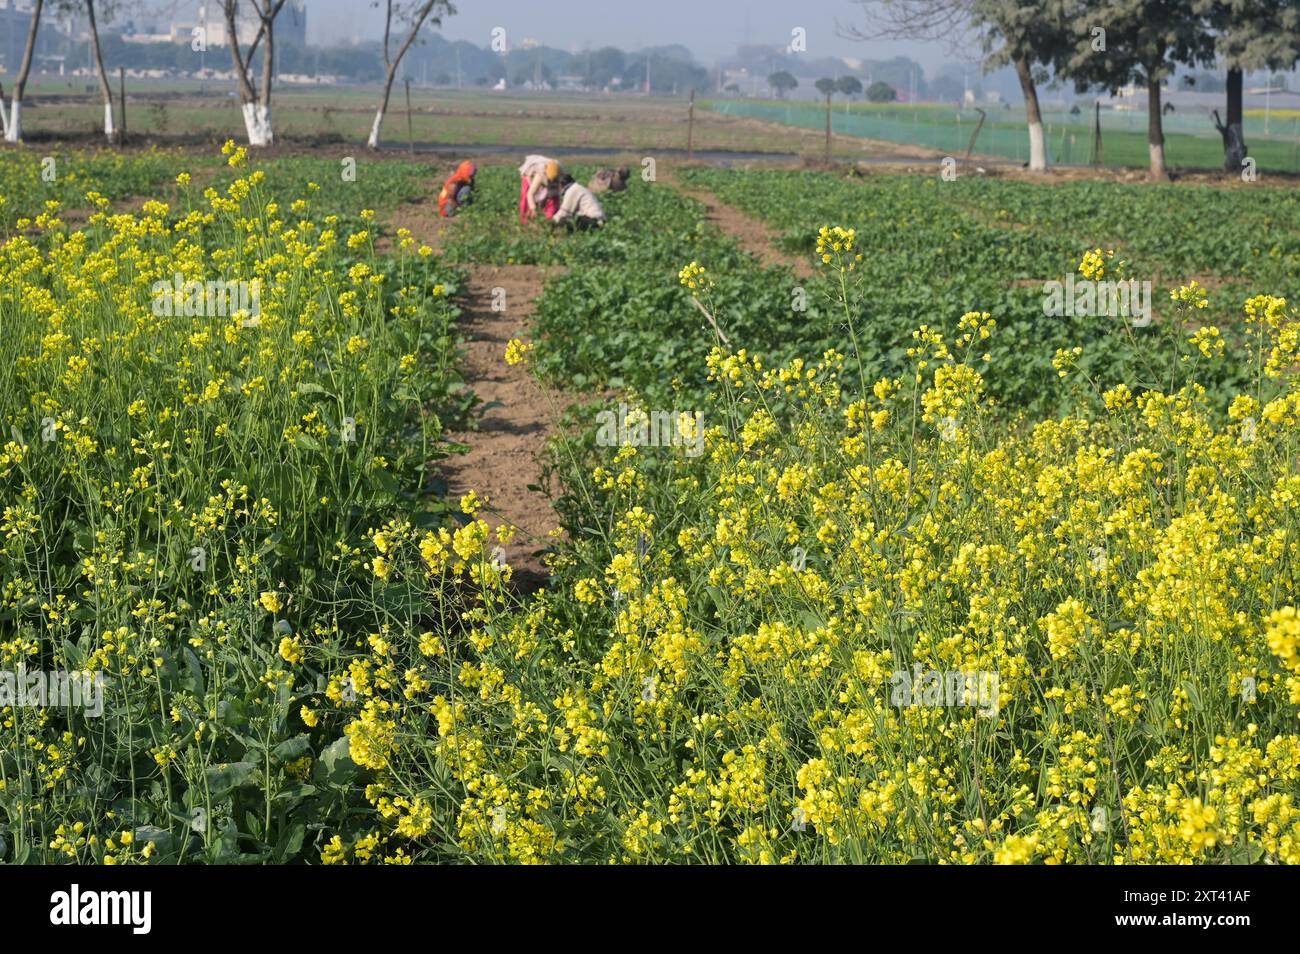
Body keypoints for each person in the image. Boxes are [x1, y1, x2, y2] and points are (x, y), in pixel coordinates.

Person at [518, 154, 561, 222]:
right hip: (530, 177)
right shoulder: (540, 174)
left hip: (547, 177)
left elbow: (557, 194)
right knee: (527, 200)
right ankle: (525, 221)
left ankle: (550, 218)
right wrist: (533, 209)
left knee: (553, 197)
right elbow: (530, 194)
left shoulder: (559, 172)